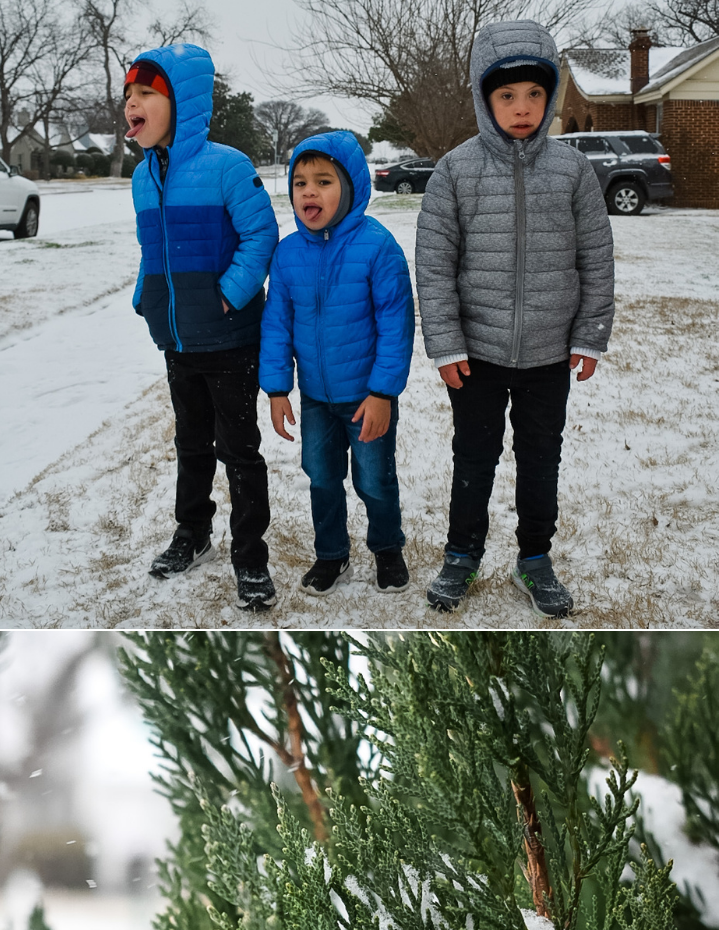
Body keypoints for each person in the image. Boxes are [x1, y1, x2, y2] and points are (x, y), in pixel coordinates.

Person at [417, 19, 613, 617]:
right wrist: (447, 346)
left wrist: (589, 335)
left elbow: (595, 257)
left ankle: (535, 559)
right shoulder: (455, 171)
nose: (522, 108)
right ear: (484, 98)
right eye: (507, 95)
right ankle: (461, 555)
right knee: (474, 456)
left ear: (550, 96)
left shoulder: (573, 172)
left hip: (549, 355)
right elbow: (434, 265)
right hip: (476, 355)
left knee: (540, 458)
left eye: (534, 94)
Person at [126, 44, 283, 610]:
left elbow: (261, 238)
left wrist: (228, 296)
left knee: (238, 450)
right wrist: (146, 297)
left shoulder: (226, 166)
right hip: (177, 339)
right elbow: (152, 250)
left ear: (182, 103)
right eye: (129, 95)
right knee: (191, 443)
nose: (132, 104)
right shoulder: (144, 178)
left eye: (146, 93)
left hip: (229, 339)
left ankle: (250, 558)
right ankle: (192, 533)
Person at [261, 132, 416, 597]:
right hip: (314, 399)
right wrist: (276, 389)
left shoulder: (377, 246)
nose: (309, 191)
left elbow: (396, 323)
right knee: (322, 479)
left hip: (366, 396)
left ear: (350, 188)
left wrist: (383, 393)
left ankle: (387, 550)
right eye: (300, 182)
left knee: (374, 481)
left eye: (324, 181)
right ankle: (331, 555)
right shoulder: (288, 254)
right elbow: (276, 325)